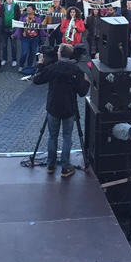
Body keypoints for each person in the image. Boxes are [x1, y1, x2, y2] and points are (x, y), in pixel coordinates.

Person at [31, 43, 90, 178]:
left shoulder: (52, 68)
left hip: (53, 106)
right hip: (69, 107)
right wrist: (86, 81)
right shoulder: (75, 70)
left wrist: (40, 64)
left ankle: (50, 165)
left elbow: (38, 79)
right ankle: (65, 167)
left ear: (59, 53)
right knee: (67, 137)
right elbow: (82, 92)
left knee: (52, 136)